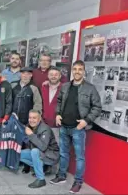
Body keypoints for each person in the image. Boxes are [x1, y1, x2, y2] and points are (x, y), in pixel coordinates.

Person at [50, 60, 101, 194]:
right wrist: (57, 114)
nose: (77, 72)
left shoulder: (90, 88)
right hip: (64, 126)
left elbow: (97, 107)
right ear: (72, 70)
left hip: (78, 128)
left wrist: (86, 120)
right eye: (75, 69)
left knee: (79, 157)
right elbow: (59, 101)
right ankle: (61, 175)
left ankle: (78, 182)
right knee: (63, 153)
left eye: (80, 69)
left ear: (84, 72)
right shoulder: (66, 86)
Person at [10, 67, 42, 174]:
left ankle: (26, 165)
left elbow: (37, 104)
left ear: (31, 75)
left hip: (27, 121)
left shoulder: (34, 88)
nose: (25, 76)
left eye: (28, 74)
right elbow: (8, 101)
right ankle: (16, 160)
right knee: (15, 140)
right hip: (14, 119)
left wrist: (34, 119)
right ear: (20, 75)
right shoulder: (13, 85)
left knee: (27, 143)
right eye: (23, 73)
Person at [21, 110, 59, 189]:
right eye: (30, 118)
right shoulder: (29, 126)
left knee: (35, 151)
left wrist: (31, 134)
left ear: (39, 119)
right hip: (40, 153)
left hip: (51, 156)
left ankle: (41, 179)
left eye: (34, 118)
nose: (31, 120)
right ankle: (40, 167)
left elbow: (43, 147)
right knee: (19, 154)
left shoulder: (45, 129)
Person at [41, 67, 62, 141]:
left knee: (57, 147)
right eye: (51, 74)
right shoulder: (43, 87)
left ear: (60, 76)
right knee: (43, 147)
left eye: (56, 74)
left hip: (57, 126)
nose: (53, 76)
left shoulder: (65, 88)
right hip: (43, 124)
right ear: (48, 76)